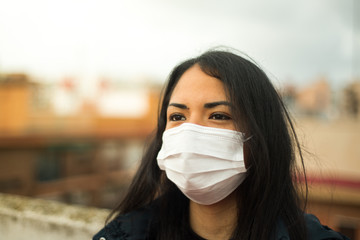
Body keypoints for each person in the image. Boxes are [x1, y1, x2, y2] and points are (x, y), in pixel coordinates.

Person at [93, 50, 350, 240]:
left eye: (219, 116)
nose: (190, 131)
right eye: (177, 117)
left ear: (260, 135)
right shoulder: (125, 235)